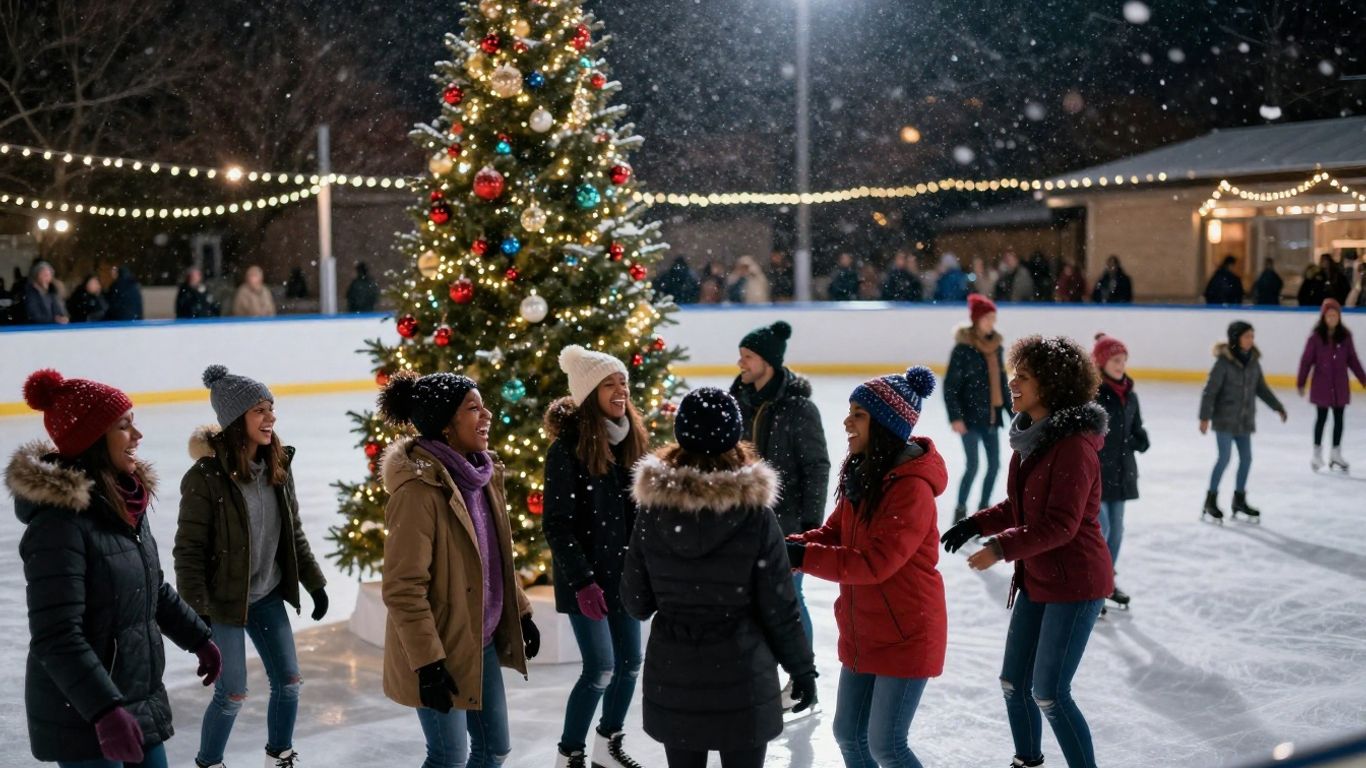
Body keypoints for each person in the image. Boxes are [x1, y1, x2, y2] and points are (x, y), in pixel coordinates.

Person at [10, 369, 220, 767]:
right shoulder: (58, 525)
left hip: (136, 697)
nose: (137, 436)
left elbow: (151, 589)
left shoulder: (125, 503)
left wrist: (199, 638)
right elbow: (57, 636)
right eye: (124, 426)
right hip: (83, 713)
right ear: (92, 439)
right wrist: (104, 710)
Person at [940, 335, 1112, 768]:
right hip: (1039, 576)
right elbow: (1020, 507)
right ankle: (1027, 761)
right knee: (1014, 683)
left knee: (1050, 692)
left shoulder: (1073, 448)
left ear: (1051, 386)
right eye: (1014, 373)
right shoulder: (1030, 440)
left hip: (1076, 582)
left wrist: (1000, 548)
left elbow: (1060, 524)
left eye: (1024, 376)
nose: (1012, 382)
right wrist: (976, 524)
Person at [622, 388, 817, 768]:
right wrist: (802, 670)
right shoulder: (756, 515)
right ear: (734, 435)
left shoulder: (652, 512)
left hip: (675, 679)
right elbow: (780, 606)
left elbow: (636, 601)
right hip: (742, 678)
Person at [376, 372, 540, 768]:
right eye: (473, 408)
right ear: (446, 425)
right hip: (438, 648)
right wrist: (428, 662)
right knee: (448, 757)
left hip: (478, 642)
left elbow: (497, 556)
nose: (486, 414)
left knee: (494, 749)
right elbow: (403, 588)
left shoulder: (482, 475)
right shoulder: (418, 493)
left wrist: (520, 611)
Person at [786, 366, 947, 768]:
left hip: (906, 632)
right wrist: (784, 547)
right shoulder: (864, 475)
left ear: (885, 424)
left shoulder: (911, 489)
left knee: (887, 745)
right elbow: (833, 533)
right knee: (848, 735)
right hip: (865, 630)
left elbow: (875, 563)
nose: (846, 421)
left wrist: (802, 559)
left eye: (858, 413)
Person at [173, 366, 329, 768]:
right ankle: (210, 762)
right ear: (235, 419)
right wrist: (197, 610)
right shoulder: (204, 478)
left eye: (271, 408)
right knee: (233, 692)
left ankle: (280, 754)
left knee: (290, 682)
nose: (271, 417)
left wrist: (315, 582)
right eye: (260, 409)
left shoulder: (278, 465)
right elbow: (187, 550)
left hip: (267, 595)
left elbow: (292, 531)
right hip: (222, 602)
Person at [543, 346, 650, 768]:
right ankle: (569, 752)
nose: (620, 390)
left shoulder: (632, 442)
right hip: (586, 579)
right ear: (590, 394)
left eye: (622, 381)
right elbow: (557, 524)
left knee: (630, 664)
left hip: (624, 577)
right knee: (600, 668)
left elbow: (640, 515)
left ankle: (608, 745)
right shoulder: (566, 451)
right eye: (609, 384)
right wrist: (583, 581)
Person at [729, 321, 830, 715]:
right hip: (740, 522)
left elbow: (816, 468)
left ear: (769, 362)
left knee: (791, 600)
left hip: (786, 525)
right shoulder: (735, 399)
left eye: (748, 356)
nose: (741, 362)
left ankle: (803, 677)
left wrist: (808, 530)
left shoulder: (799, 408)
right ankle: (755, 676)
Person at [1199, 321, 1287, 522]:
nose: (1250, 340)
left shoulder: (1253, 361)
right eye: (1247, 336)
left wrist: (1277, 406)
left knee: (1246, 459)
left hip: (1245, 421)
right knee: (1224, 459)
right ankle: (1210, 500)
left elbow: (1261, 388)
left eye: (1252, 336)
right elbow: (1210, 391)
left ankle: (1239, 500)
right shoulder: (1223, 363)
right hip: (1224, 420)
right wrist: (1204, 417)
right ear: (1236, 338)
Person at [1091, 334, 1149, 613]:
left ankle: (1107, 581)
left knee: (1117, 531)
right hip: (1097, 472)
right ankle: (1095, 585)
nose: (1120, 364)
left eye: (1124, 360)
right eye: (1115, 360)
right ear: (1102, 362)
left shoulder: (1130, 394)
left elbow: (1136, 429)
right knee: (1103, 530)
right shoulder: (1092, 393)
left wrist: (1141, 439)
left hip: (1123, 471)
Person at [944, 294, 1010, 522]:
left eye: (993, 318)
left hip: (991, 416)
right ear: (976, 320)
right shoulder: (963, 350)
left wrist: (1014, 414)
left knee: (994, 466)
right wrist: (955, 417)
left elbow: (1002, 384)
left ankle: (983, 511)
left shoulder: (996, 347)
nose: (991, 322)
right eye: (987, 318)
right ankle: (960, 511)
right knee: (972, 465)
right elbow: (950, 387)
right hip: (969, 417)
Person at [1298, 299, 1366, 472]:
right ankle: (1317, 454)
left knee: (1339, 419)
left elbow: (1353, 360)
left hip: (1340, 384)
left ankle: (1336, 453)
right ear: (1323, 317)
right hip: (1321, 384)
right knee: (1321, 418)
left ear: (1339, 317)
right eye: (1329, 315)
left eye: (1335, 315)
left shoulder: (1345, 336)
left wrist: (1363, 379)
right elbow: (1306, 361)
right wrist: (1301, 382)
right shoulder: (1315, 338)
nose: (1332, 318)